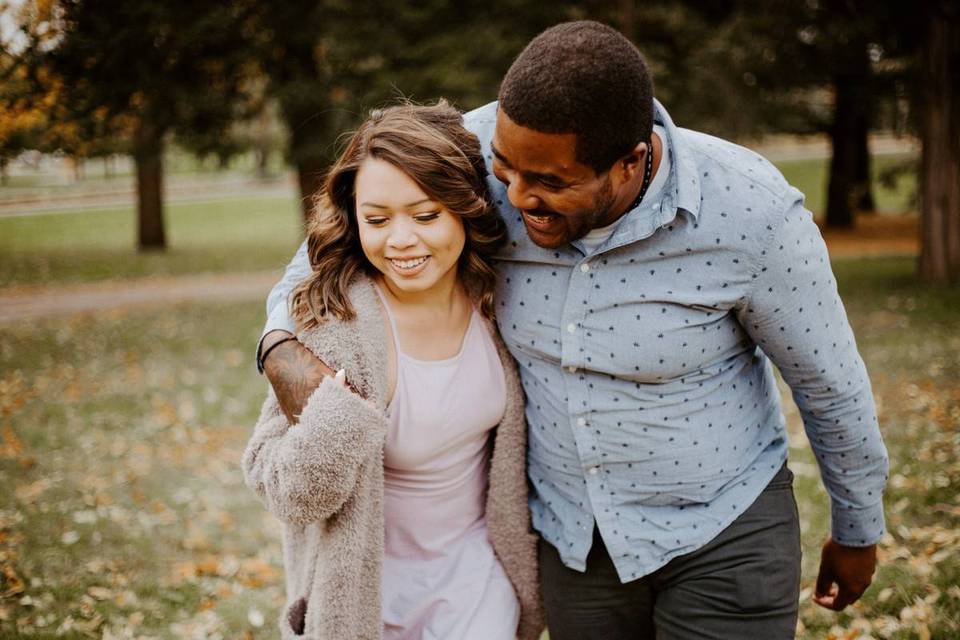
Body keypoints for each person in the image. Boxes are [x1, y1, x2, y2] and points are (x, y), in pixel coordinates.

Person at [257, 21, 889, 639]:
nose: (517, 194)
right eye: (507, 170)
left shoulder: (752, 213)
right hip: (573, 545)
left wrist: (858, 529)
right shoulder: (477, 151)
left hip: (720, 530)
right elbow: (325, 258)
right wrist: (280, 348)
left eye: (551, 183)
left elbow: (829, 383)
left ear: (629, 163)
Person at [242, 101, 543, 640]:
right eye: (377, 220)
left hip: (476, 590)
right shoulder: (336, 324)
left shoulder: (498, 302)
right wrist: (334, 416)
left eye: (425, 216)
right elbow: (287, 493)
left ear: (466, 208)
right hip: (366, 598)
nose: (400, 240)